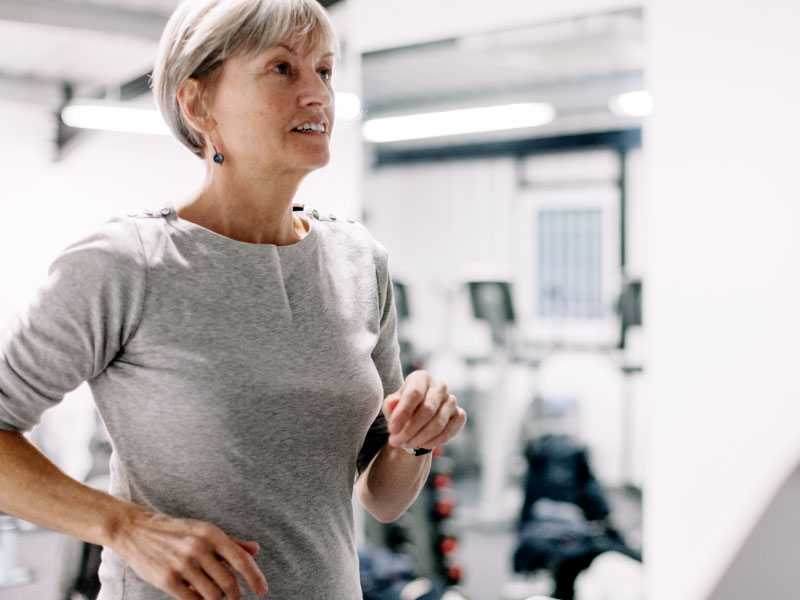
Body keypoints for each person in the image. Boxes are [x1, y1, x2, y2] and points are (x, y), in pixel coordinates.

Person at [0, 0, 467, 598]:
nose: (318, 95)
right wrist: (125, 528)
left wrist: (415, 438)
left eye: (324, 71)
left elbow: (382, 497)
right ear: (199, 104)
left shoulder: (360, 261)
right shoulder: (126, 263)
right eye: (282, 69)